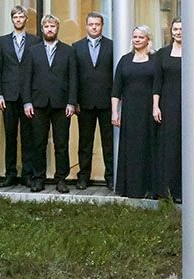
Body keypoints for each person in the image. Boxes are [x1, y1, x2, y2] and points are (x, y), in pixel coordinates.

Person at [25, 14, 76, 192]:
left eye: (53, 26)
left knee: (61, 143)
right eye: (46, 26)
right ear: (42, 29)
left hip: (62, 104)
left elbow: (73, 79)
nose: (49, 29)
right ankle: (38, 178)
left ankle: (61, 179)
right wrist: (27, 102)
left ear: (57, 28)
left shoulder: (68, 51)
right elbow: (27, 78)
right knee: (38, 142)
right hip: (38, 104)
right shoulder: (33, 50)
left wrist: (71, 102)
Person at [111, 25, 160, 199]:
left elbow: (158, 85)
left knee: (149, 148)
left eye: (140, 37)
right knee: (131, 149)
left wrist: (156, 106)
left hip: (149, 111)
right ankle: (130, 189)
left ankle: (150, 188)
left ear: (148, 39)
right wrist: (115, 112)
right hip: (130, 111)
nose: (137, 40)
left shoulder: (156, 59)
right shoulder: (124, 60)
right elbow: (116, 88)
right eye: (134, 37)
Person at [0, 6, 38, 188]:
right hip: (9, 96)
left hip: (28, 96)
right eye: (15, 17)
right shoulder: (3, 41)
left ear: (26, 19)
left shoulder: (35, 41)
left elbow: (37, 70)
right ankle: (10, 174)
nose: (18, 19)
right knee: (10, 136)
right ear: (12, 19)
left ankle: (27, 174)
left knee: (28, 137)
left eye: (21, 16)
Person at [74, 11, 115, 191]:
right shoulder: (76, 47)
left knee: (108, 143)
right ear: (86, 25)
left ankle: (111, 177)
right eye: (91, 24)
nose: (94, 27)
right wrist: (74, 101)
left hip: (106, 102)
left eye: (97, 24)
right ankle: (83, 177)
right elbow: (73, 77)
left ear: (102, 26)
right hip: (85, 103)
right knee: (85, 142)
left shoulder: (113, 46)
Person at [153, 19, 183, 203]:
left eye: (182, 29)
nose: (179, 32)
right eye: (176, 29)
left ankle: (182, 190)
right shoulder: (162, 53)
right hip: (167, 105)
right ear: (171, 32)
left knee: (184, 147)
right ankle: (166, 190)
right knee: (168, 147)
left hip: (188, 105)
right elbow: (157, 81)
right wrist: (156, 105)